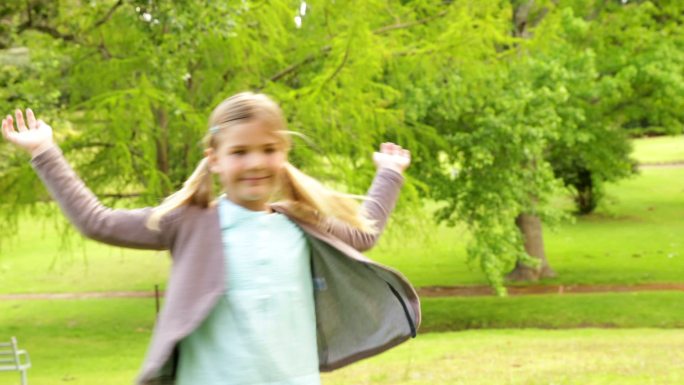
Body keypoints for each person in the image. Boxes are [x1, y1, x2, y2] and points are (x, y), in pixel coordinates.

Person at [1, 92, 421, 385]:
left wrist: (388, 173)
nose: (255, 162)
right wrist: (44, 151)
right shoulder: (191, 222)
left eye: (268, 149)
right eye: (239, 152)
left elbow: (363, 234)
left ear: (283, 153)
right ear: (214, 159)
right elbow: (98, 221)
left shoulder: (300, 221)